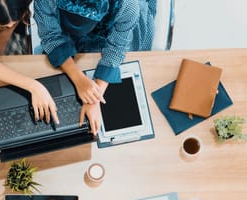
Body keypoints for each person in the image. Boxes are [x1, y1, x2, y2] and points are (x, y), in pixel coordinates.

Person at [34, 0, 157, 135]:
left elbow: (116, 49)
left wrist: (94, 99)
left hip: (110, 30)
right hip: (65, 36)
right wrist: (79, 79)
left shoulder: (127, 6)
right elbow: (51, 36)